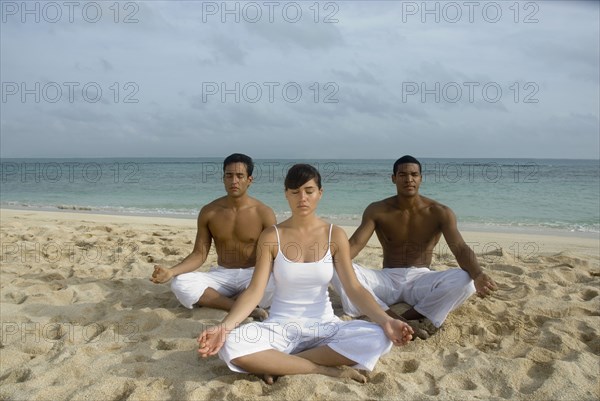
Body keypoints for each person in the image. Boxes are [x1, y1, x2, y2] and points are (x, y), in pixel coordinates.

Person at [197, 164, 413, 383]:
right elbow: (254, 291)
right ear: (286, 195)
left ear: (320, 193)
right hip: (280, 327)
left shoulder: (335, 235)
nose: (302, 198)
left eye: (309, 191)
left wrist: (386, 321)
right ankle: (323, 370)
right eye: (295, 192)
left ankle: (279, 364)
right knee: (231, 344)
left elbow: (354, 288)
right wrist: (224, 327)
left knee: (379, 338)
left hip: (325, 326)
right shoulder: (272, 236)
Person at [331, 155, 497, 337]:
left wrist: (479, 274)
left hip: (420, 280)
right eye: (402, 175)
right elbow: (354, 244)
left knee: (466, 280)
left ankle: (407, 317)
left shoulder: (439, 212)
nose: (409, 179)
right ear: (393, 178)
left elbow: (459, 248)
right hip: (386, 280)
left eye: (414, 174)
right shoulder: (378, 210)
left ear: (421, 178)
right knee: (334, 265)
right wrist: (324, 262)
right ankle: (389, 316)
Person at [150, 153, 276, 320]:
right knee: (180, 282)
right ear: (223, 178)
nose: (234, 181)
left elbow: (274, 256)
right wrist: (171, 271)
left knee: (277, 284)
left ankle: (224, 301)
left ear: (249, 180)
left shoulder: (263, 213)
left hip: (254, 274)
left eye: (240, 176)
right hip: (223, 275)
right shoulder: (209, 212)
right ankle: (245, 308)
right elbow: (199, 254)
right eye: (229, 175)